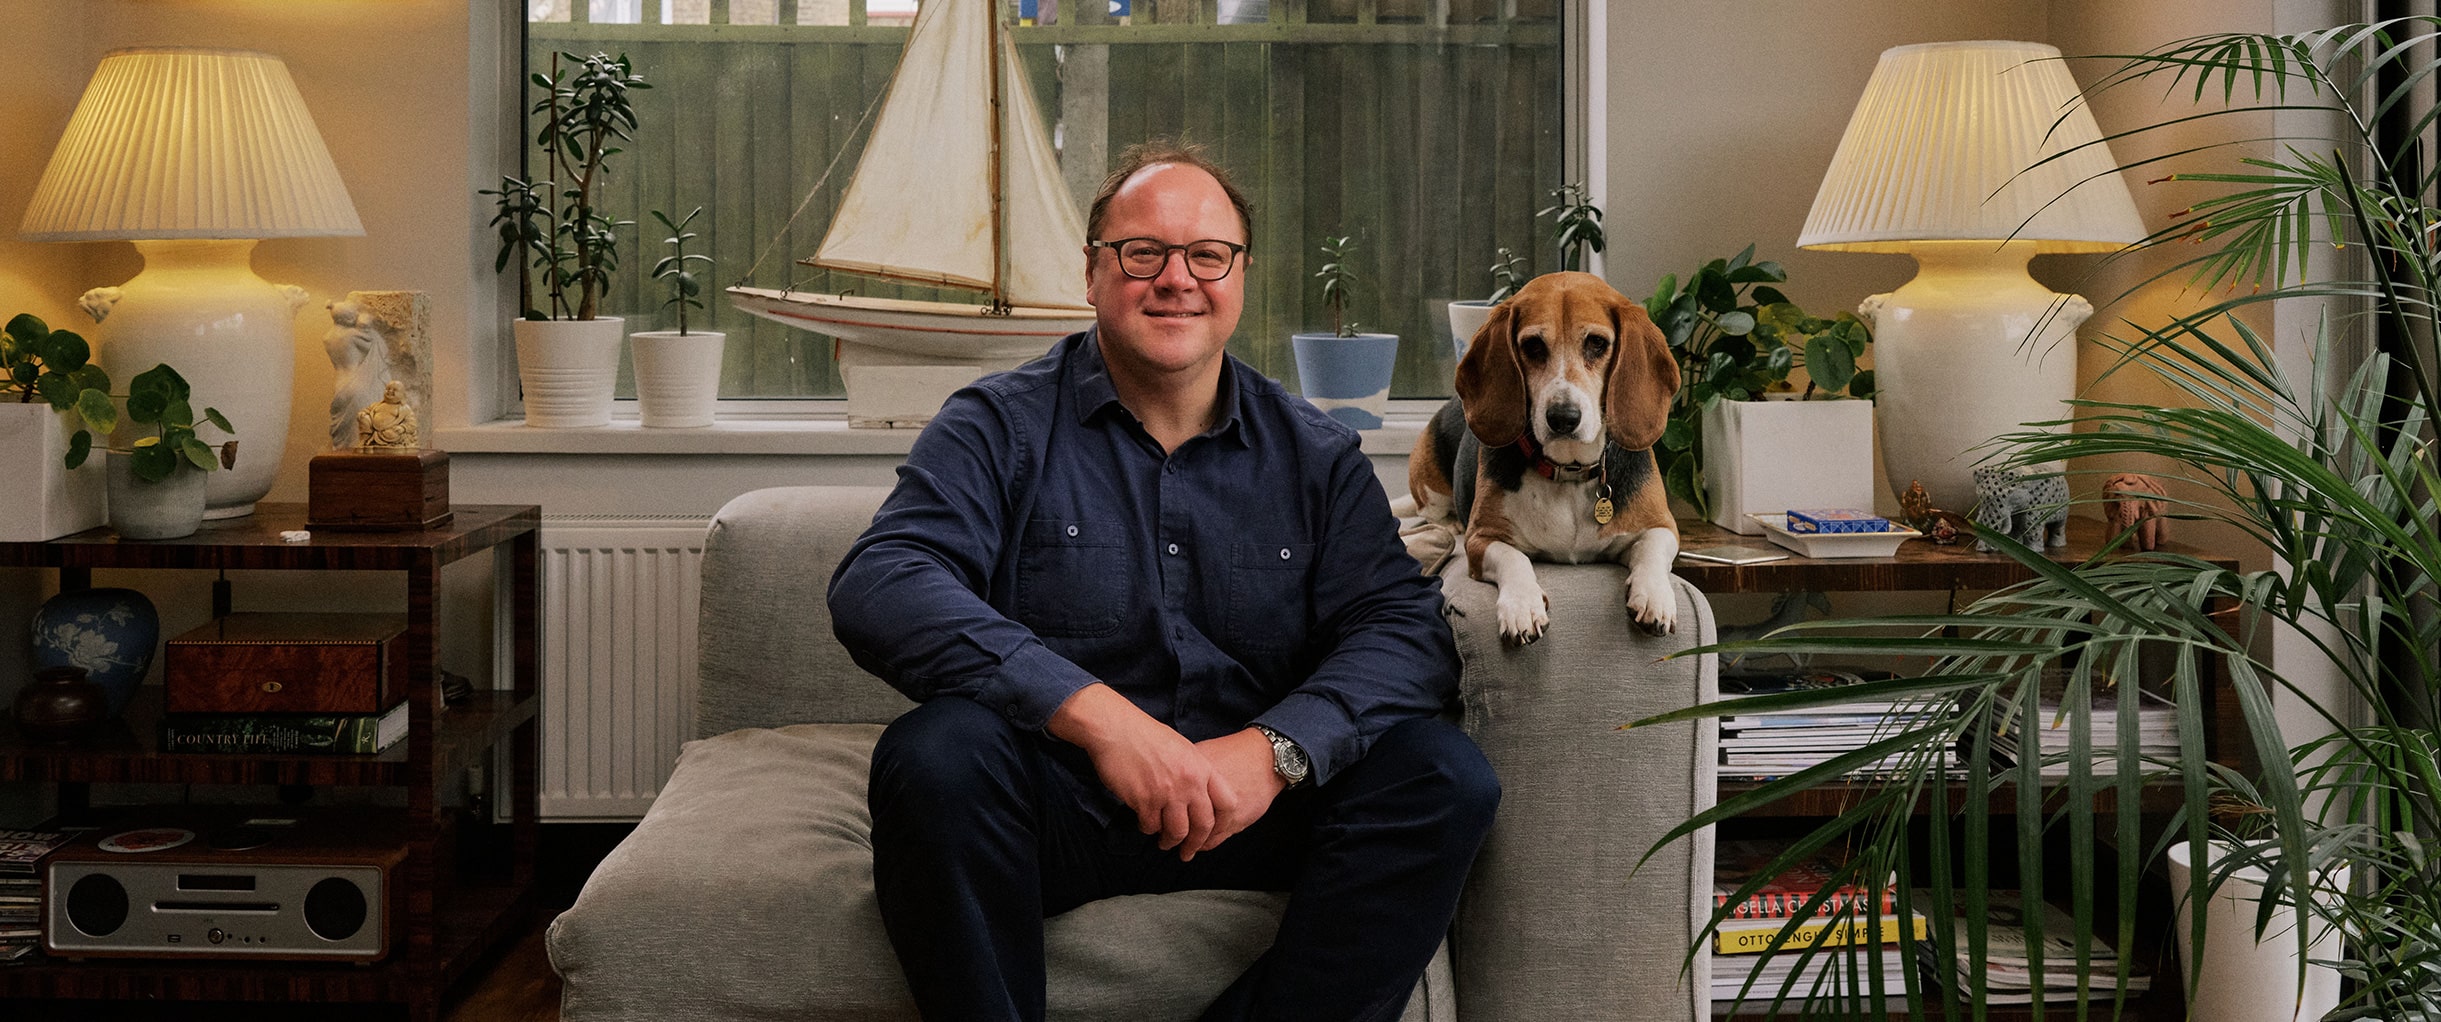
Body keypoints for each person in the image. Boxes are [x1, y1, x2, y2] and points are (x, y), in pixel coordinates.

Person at [828, 140, 1501, 1022]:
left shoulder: (1315, 454)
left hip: (1254, 804)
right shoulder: (995, 426)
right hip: (1057, 806)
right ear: (1093, 272)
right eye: (1141, 252)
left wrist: (1274, 751)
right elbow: (882, 580)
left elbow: (1403, 631)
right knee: (934, 755)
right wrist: (1102, 721)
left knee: (1443, 776)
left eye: (1205, 255)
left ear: (1240, 276)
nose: (1174, 277)